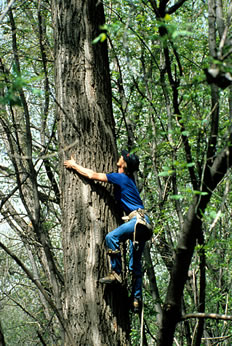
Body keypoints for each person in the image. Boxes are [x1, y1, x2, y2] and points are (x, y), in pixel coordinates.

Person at [64, 150, 151, 311]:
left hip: (137, 221)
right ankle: (136, 299)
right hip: (143, 224)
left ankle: (116, 273)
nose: (119, 156)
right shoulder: (128, 180)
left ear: (124, 163)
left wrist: (75, 166)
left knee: (111, 238)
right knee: (135, 266)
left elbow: (92, 175)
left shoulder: (121, 178)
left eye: (122, 157)